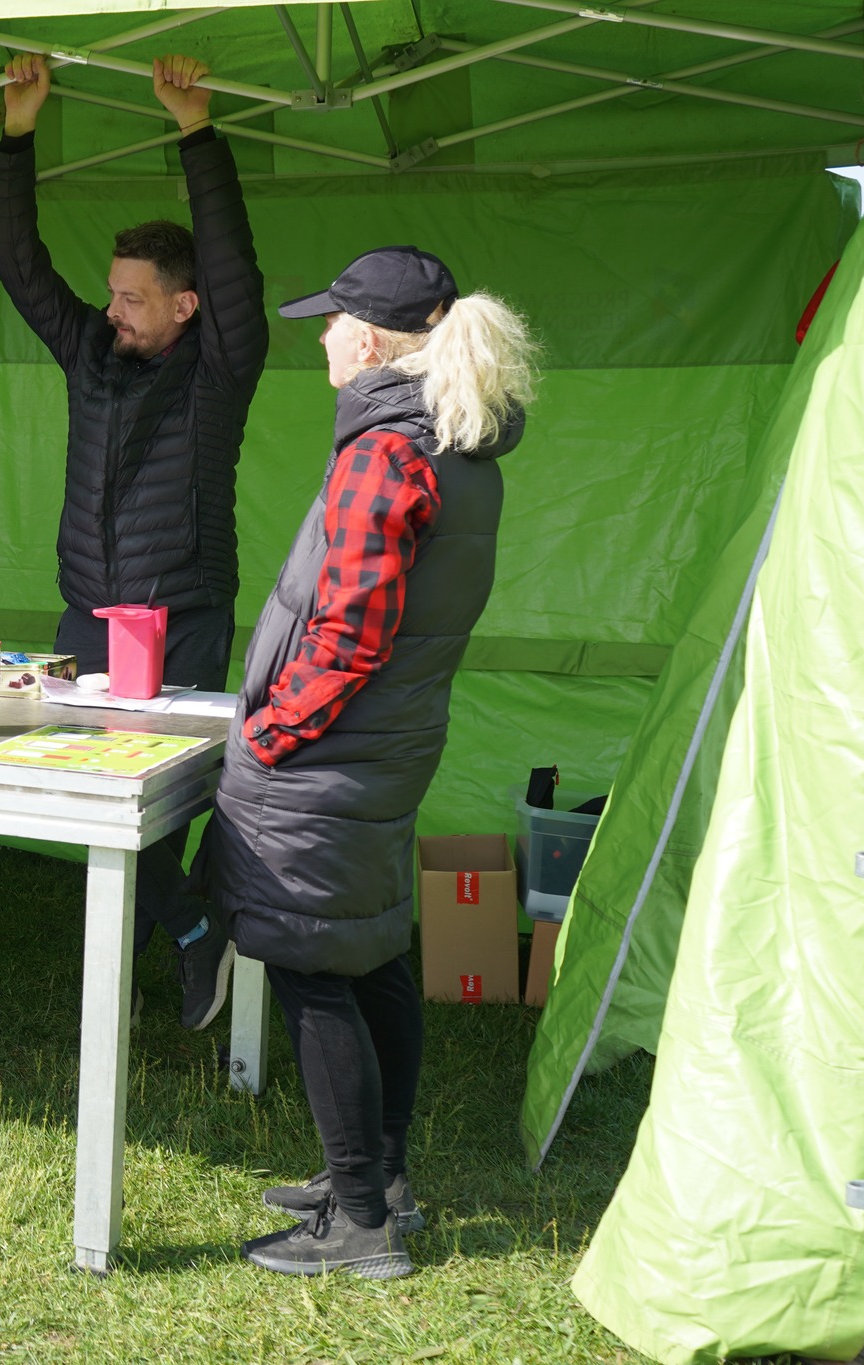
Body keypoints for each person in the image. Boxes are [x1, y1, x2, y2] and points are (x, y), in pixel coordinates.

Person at [202, 248, 538, 1278]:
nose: (319, 335)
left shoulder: (385, 453)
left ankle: (358, 1224)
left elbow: (347, 636)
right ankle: (382, 1184)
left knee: (311, 967)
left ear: (370, 340)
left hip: (329, 754)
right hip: (386, 747)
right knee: (374, 953)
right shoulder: (456, 444)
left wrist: (269, 734)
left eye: (331, 320)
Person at [0, 52, 268, 1032]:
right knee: (92, 794)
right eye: (110, 292)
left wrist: (196, 131)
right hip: (88, 613)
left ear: (184, 306)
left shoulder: (219, 368)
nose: (110, 309)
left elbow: (232, 270)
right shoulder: (89, 352)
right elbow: (15, 263)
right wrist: (15, 136)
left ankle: (176, 947)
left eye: (132, 297)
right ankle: (189, 934)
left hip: (179, 612)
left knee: (158, 798)